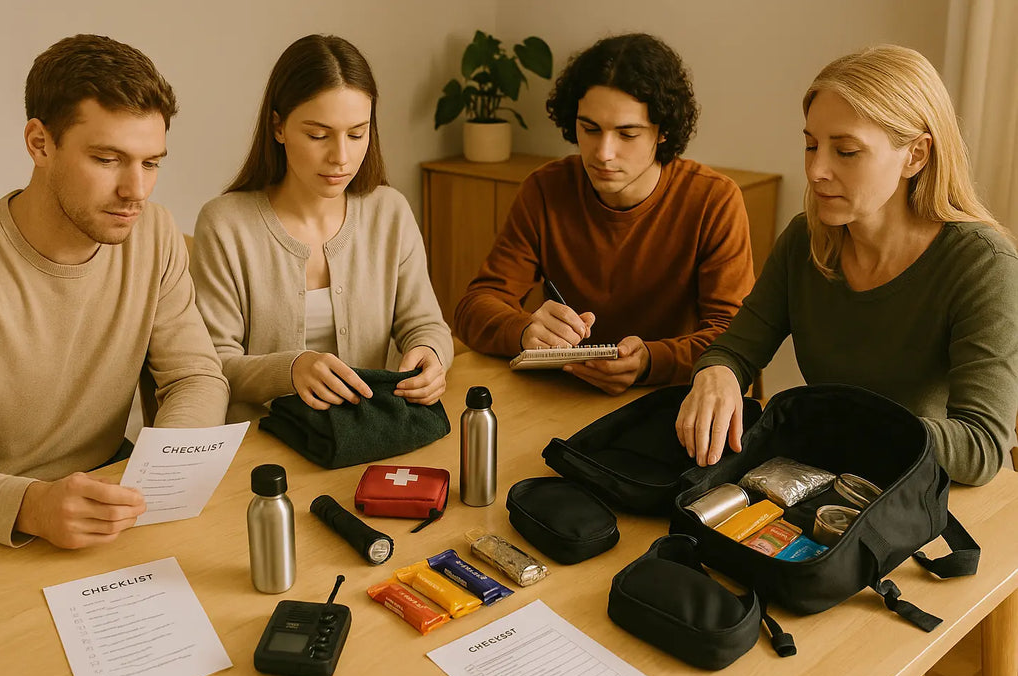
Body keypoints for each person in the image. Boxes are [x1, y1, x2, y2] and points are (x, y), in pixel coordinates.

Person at [0, 35, 230, 548]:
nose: (137, 191)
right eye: (108, 160)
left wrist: (161, 474)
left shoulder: (155, 234)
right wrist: (31, 505)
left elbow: (194, 376)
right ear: (40, 143)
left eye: (151, 163)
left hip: (106, 492)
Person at [676, 45, 1018, 486]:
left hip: (927, 500)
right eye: (811, 145)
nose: (816, 169)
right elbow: (735, 348)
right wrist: (716, 374)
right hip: (825, 478)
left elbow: (981, 447)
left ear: (916, 155)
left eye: (847, 151)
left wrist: (835, 425)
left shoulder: (982, 264)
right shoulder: (805, 238)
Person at [453, 33, 754, 394]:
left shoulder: (713, 200)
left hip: (667, 398)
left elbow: (733, 339)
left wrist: (649, 361)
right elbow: (474, 308)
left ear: (663, 131)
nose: (603, 153)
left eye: (627, 134)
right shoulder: (545, 190)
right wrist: (523, 329)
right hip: (561, 393)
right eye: (590, 129)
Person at [191, 35, 452, 422]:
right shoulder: (225, 225)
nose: (341, 157)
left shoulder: (389, 211)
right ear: (278, 127)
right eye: (318, 135)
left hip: (366, 436)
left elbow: (425, 323)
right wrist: (291, 369)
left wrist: (430, 353)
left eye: (357, 133)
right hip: (262, 447)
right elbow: (212, 365)